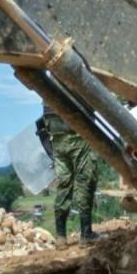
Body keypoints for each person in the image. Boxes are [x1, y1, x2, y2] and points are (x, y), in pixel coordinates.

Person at [37, 104, 101, 244]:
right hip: (76, 129)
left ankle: (61, 237)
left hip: (56, 134)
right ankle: (86, 234)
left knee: (64, 184)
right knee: (85, 182)